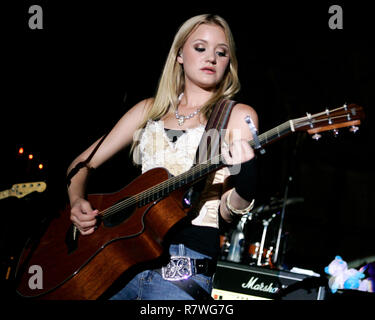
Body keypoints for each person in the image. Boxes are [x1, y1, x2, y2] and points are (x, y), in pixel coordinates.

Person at [67, 14, 258, 300]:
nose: (212, 58)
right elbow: (80, 166)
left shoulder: (236, 116)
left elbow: (227, 212)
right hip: (122, 259)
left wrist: (247, 179)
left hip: (184, 270)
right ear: (179, 53)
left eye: (221, 52)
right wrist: (77, 202)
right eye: (200, 47)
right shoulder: (148, 110)